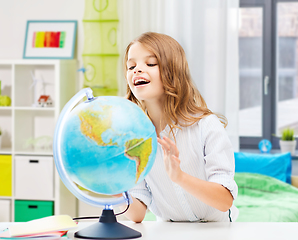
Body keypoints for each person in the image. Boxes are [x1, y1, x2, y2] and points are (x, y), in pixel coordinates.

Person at [122, 32, 238, 223]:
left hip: (217, 230)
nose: (137, 70)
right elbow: (136, 214)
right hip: (169, 232)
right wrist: (110, 184)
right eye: (131, 66)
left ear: (173, 71)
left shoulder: (206, 126)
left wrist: (180, 176)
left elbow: (225, 200)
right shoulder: (134, 139)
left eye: (150, 63)